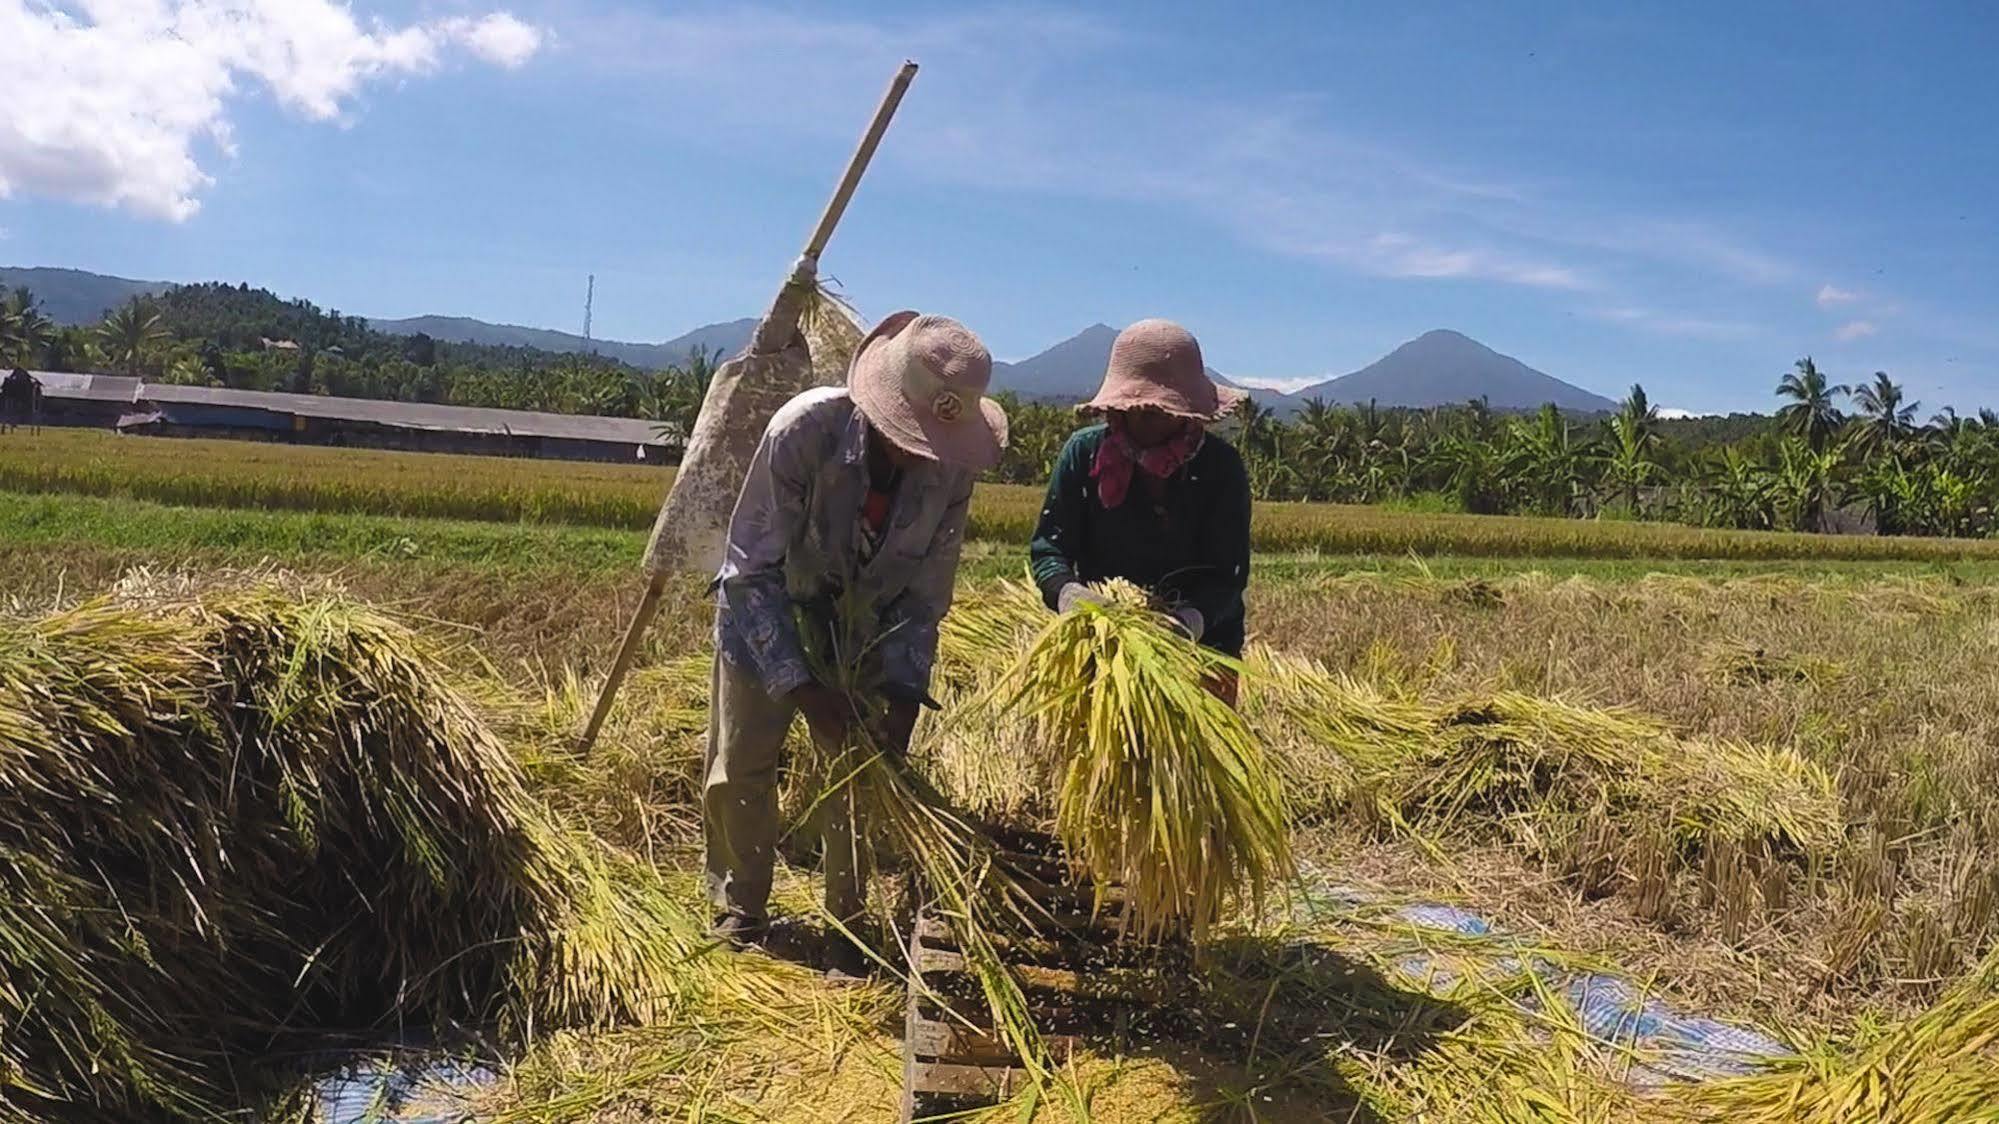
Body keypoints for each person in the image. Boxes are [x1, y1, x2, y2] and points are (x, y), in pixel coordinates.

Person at [706, 310, 1008, 978]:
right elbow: (750, 569)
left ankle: (848, 921)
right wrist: (805, 690)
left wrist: (902, 690)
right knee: (744, 761)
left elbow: (927, 590)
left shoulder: (953, 470)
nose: (918, 451)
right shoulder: (803, 431)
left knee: (858, 771)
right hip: (771, 608)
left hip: (866, 623)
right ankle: (741, 904)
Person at [1029, 319, 1252, 702]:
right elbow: (1049, 548)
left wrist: (1186, 622)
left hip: (1204, 644)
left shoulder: (1221, 468)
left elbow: (1228, 575)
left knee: (1196, 754)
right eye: (1141, 410)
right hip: (1104, 639)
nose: (1152, 419)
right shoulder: (1085, 455)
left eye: (1166, 410)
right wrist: (1072, 597)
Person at [0, 367, 41, 434]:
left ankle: (8, 426)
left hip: (19, 399)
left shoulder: (11, 382)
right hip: (16, 398)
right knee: (9, 410)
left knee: (9, 410)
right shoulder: (11, 383)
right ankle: (8, 426)